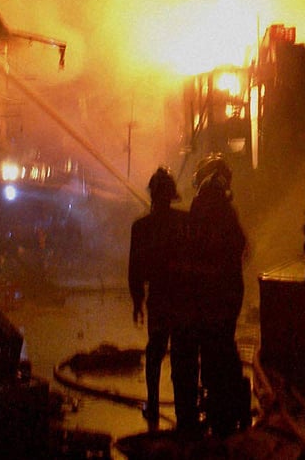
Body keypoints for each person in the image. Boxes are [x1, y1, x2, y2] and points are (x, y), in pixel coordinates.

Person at [174, 153, 250, 437]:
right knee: (222, 346)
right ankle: (230, 407)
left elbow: (194, 246)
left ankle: (223, 409)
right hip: (228, 289)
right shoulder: (227, 210)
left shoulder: (205, 204)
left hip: (213, 292)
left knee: (214, 348)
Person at [128, 167, 187, 427]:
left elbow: (135, 268)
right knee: (182, 354)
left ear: (152, 194)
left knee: (155, 351)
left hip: (160, 298)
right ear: (171, 195)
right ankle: (186, 411)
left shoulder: (141, 228)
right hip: (183, 299)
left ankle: (152, 406)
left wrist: (137, 301)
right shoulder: (186, 223)